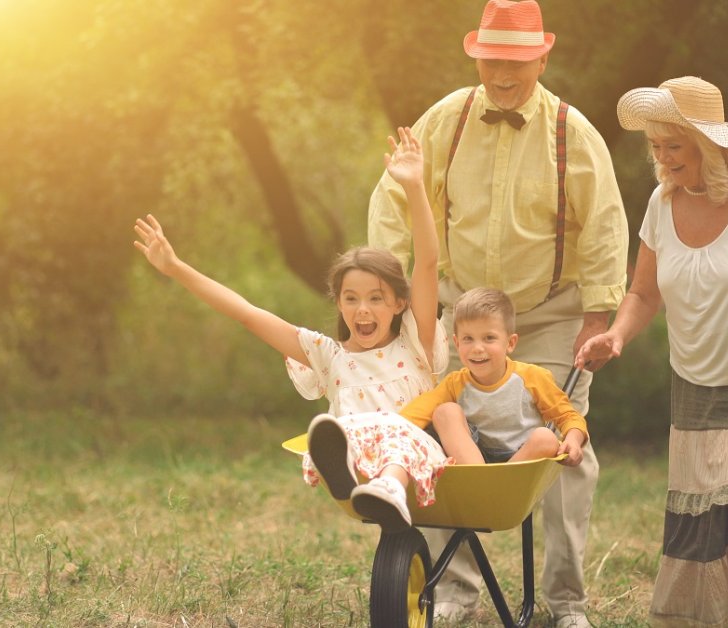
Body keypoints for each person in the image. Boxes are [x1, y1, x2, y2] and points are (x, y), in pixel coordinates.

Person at [367, 1, 628, 624]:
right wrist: (389, 295)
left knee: (568, 450)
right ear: (475, 55)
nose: (502, 73)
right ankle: (455, 590)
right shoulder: (444, 121)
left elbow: (604, 225)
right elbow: (394, 203)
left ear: (543, 54)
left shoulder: (572, 132)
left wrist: (599, 312)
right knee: (433, 434)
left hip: (549, 311)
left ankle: (565, 603)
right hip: (458, 309)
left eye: (515, 60)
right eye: (491, 60)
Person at [134, 128, 475, 534]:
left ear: (399, 304)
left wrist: (416, 187)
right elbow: (246, 313)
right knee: (336, 430)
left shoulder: (415, 343)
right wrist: (177, 269)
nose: (362, 310)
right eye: (351, 299)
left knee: (398, 430)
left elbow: (426, 262)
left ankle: (391, 484)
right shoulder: (327, 356)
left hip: (417, 456)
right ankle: (352, 468)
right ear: (339, 303)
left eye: (376, 299)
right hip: (362, 458)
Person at [577, 75, 728, 627]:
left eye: (672, 145)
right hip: (697, 384)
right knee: (707, 512)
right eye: (655, 146)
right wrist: (617, 336)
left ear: (708, 144)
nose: (662, 157)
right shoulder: (662, 202)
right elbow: (643, 291)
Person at [400, 287, 589, 468]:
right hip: (473, 457)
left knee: (546, 437)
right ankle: (481, 480)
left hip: (520, 458)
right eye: (468, 339)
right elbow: (418, 411)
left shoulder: (532, 378)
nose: (477, 348)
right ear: (457, 343)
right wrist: (388, 428)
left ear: (510, 343)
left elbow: (568, 416)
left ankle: (497, 486)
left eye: (489, 338)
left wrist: (573, 438)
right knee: (444, 412)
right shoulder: (454, 383)